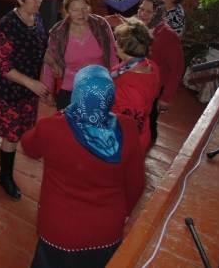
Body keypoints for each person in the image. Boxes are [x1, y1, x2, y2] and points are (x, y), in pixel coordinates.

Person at [21, 65, 145, 268]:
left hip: (59, 231)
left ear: (77, 93)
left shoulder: (50, 126)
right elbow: (136, 185)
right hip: (107, 230)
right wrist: (123, 213)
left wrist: (60, 114)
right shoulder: (128, 127)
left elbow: (29, 146)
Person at [0, 0, 50, 198]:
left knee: (22, 128)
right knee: (12, 133)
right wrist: (31, 83)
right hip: (7, 87)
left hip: (28, 86)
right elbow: (2, 65)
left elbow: (41, 46)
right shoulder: (7, 26)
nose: (39, 0)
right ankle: (5, 176)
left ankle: (6, 173)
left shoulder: (36, 18)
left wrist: (54, 63)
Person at [105, 0, 185, 141]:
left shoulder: (167, 35)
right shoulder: (140, 26)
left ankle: (144, 143)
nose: (143, 14)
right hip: (138, 79)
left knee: (148, 120)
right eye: (141, 9)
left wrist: (165, 98)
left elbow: (177, 68)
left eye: (149, 11)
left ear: (158, 13)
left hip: (154, 87)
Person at [45, 0, 119, 111]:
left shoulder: (100, 25)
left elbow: (113, 54)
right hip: (69, 89)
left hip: (99, 87)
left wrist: (114, 81)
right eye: (75, 10)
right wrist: (48, 91)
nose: (81, 13)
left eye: (84, 8)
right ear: (66, 12)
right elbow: (49, 64)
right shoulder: (57, 33)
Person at [111, 19, 161, 153]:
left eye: (117, 41)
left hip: (122, 141)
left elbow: (131, 126)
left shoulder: (130, 85)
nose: (115, 43)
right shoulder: (150, 65)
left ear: (125, 46)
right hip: (142, 131)